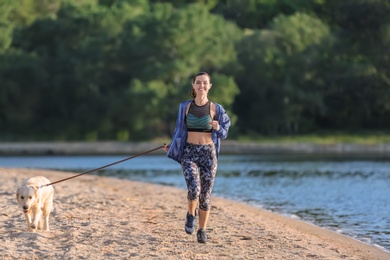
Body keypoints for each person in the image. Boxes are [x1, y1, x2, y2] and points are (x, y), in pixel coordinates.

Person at [163, 72, 231, 243]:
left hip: (208, 153)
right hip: (189, 152)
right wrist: (172, 147)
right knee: (194, 189)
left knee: (205, 196)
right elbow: (179, 131)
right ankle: (190, 214)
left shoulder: (217, 109)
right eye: (198, 83)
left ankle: (202, 230)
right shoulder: (184, 107)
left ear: (210, 86)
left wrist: (217, 127)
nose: (202, 86)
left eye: (205, 83)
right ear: (193, 86)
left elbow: (224, 132)